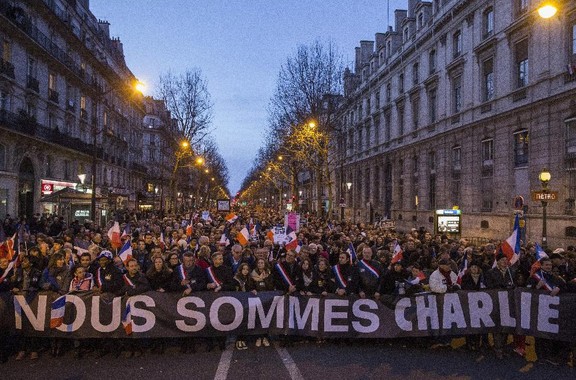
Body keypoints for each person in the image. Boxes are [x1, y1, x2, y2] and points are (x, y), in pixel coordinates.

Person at [485, 252, 515, 359]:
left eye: (506, 260)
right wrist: (503, 286)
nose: (505, 262)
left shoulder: (511, 272)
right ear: (497, 261)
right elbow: (489, 286)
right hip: (496, 302)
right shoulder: (491, 272)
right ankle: (498, 348)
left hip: (508, 303)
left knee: (506, 325)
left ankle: (503, 345)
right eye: (502, 260)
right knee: (497, 326)